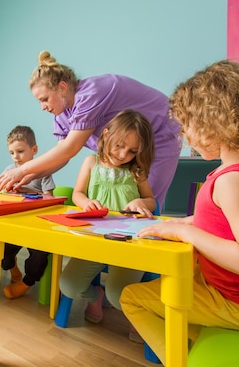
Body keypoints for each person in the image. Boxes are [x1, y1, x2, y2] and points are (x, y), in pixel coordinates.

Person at [119, 60, 239, 363]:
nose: (185, 137)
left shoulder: (232, 182)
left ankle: (186, 360)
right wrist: (188, 222)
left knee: (132, 298)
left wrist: (186, 231)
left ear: (215, 122)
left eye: (187, 126)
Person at [0, 50, 181, 208]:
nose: (42, 106)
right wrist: (26, 178)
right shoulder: (61, 116)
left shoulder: (90, 94)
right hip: (132, 142)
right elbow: (62, 157)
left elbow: (70, 148)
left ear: (62, 87)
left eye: (44, 99)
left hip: (161, 131)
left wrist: (21, 170)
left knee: (144, 201)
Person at [59, 110, 156, 324]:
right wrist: (86, 203)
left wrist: (142, 202)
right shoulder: (91, 162)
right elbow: (77, 193)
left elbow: (151, 201)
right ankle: (96, 297)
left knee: (118, 296)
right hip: (95, 241)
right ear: (105, 134)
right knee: (68, 286)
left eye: (132, 151)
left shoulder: (136, 170)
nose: (123, 155)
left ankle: (144, 319)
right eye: (120, 145)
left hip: (129, 245)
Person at [0, 125, 55, 299]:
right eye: (12, 153)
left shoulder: (43, 171)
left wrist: (26, 193)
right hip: (14, 221)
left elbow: (50, 199)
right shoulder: (9, 170)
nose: (16, 157)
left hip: (35, 224)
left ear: (34, 149)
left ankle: (27, 282)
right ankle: (14, 271)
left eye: (20, 151)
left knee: (40, 255)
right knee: (2, 251)